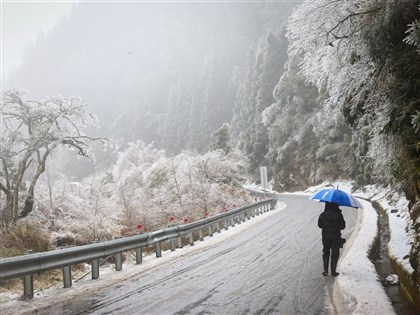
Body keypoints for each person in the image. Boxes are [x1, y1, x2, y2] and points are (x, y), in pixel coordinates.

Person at [318, 202, 346, 276]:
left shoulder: (322, 215)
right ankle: (333, 271)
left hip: (325, 237)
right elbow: (343, 226)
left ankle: (325, 270)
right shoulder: (339, 215)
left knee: (326, 252)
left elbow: (319, 225)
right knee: (335, 253)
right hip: (336, 237)